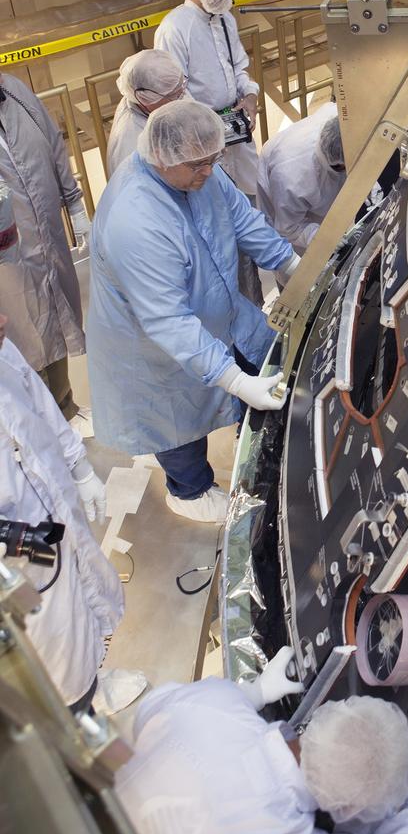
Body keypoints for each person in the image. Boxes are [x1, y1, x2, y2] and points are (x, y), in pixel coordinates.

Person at [87, 100, 300, 524]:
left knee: (257, 365)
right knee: (174, 421)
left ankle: (256, 445)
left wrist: (291, 263)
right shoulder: (137, 220)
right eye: (198, 166)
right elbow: (170, 323)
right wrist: (235, 380)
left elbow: (243, 221)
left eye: (213, 160)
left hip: (217, 309)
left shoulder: (199, 171)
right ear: (162, 161)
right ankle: (188, 491)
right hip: (152, 344)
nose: (210, 171)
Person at [115, 647, 408, 834]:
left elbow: (146, 714)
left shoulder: (212, 704)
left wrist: (253, 693)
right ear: (347, 810)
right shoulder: (282, 828)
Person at [0, 310, 145, 714]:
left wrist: (78, 466)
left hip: (51, 511)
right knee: (51, 642)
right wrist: (19, 542)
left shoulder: (1, 350)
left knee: (80, 595)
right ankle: (78, 715)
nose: (3, 319)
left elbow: (38, 403)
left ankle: (91, 681)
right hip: (17, 556)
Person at [0, 71, 90, 420]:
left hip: (46, 239)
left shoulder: (15, 91)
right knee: (22, 340)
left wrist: (75, 203)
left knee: (56, 320)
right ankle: (39, 427)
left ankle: (65, 406)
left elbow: (53, 143)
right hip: (7, 260)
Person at [154, 0, 260, 198]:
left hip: (234, 125)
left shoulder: (226, 19)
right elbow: (175, 91)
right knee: (216, 199)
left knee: (251, 192)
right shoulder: (174, 28)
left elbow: (237, 67)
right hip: (201, 135)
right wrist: (206, 126)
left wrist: (250, 95)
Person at [257, 103, 347, 255]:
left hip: (309, 174)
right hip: (286, 209)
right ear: (340, 164)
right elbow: (289, 228)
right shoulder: (291, 178)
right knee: (299, 260)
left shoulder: (338, 116)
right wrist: (317, 236)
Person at [106, 48, 188, 176]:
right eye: (173, 96)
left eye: (182, 87)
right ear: (145, 98)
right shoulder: (130, 146)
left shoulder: (154, 105)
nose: (180, 98)